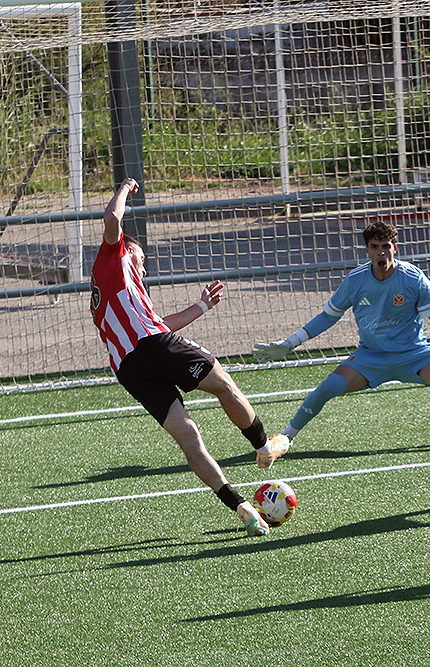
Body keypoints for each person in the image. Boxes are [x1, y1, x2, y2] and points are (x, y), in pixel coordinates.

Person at [90, 177, 288, 537]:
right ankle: (263, 447)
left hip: (130, 370)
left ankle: (241, 506)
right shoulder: (114, 256)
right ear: (126, 249)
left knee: (190, 439)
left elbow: (158, 323)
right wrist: (123, 188)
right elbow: (112, 221)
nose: (145, 268)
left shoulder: (110, 290)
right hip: (153, 347)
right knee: (225, 384)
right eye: (142, 259)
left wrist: (200, 306)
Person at [251, 220, 430, 465]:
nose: (381, 253)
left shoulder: (413, 279)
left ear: (394, 248)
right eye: (375, 247)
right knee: (328, 387)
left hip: (415, 356)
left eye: (385, 246)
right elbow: (327, 317)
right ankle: (286, 437)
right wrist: (289, 343)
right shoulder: (355, 280)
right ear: (367, 251)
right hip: (371, 358)